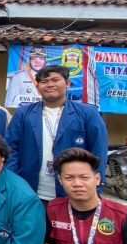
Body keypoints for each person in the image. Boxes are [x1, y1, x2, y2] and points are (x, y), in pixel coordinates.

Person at [6, 65, 108, 204]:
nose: (50, 84)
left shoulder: (87, 113)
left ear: (67, 83)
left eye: (55, 80)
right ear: (37, 87)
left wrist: (95, 186)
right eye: (44, 81)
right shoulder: (23, 114)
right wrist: (13, 181)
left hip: (74, 192)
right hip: (30, 191)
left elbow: (99, 151)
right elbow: (11, 149)